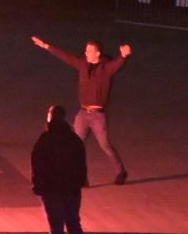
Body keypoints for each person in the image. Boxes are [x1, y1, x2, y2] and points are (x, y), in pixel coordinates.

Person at [31, 36, 132, 184]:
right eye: (86, 50)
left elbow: (118, 64)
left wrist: (124, 55)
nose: (86, 53)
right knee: (75, 145)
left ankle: (121, 172)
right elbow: (66, 56)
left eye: (89, 51)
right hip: (83, 113)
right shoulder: (83, 65)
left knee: (105, 145)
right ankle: (82, 177)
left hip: (98, 115)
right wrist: (46, 46)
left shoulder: (106, 69)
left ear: (97, 53)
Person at [30, 104, 93, 234]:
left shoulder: (45, 139)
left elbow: (37, 164)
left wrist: (38, 185)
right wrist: (78, 183)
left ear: (50, 117)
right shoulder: (74, 139)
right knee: (74, 224)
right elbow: (82, 165)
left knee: (56, 228)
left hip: (52, 189)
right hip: (71, 189)